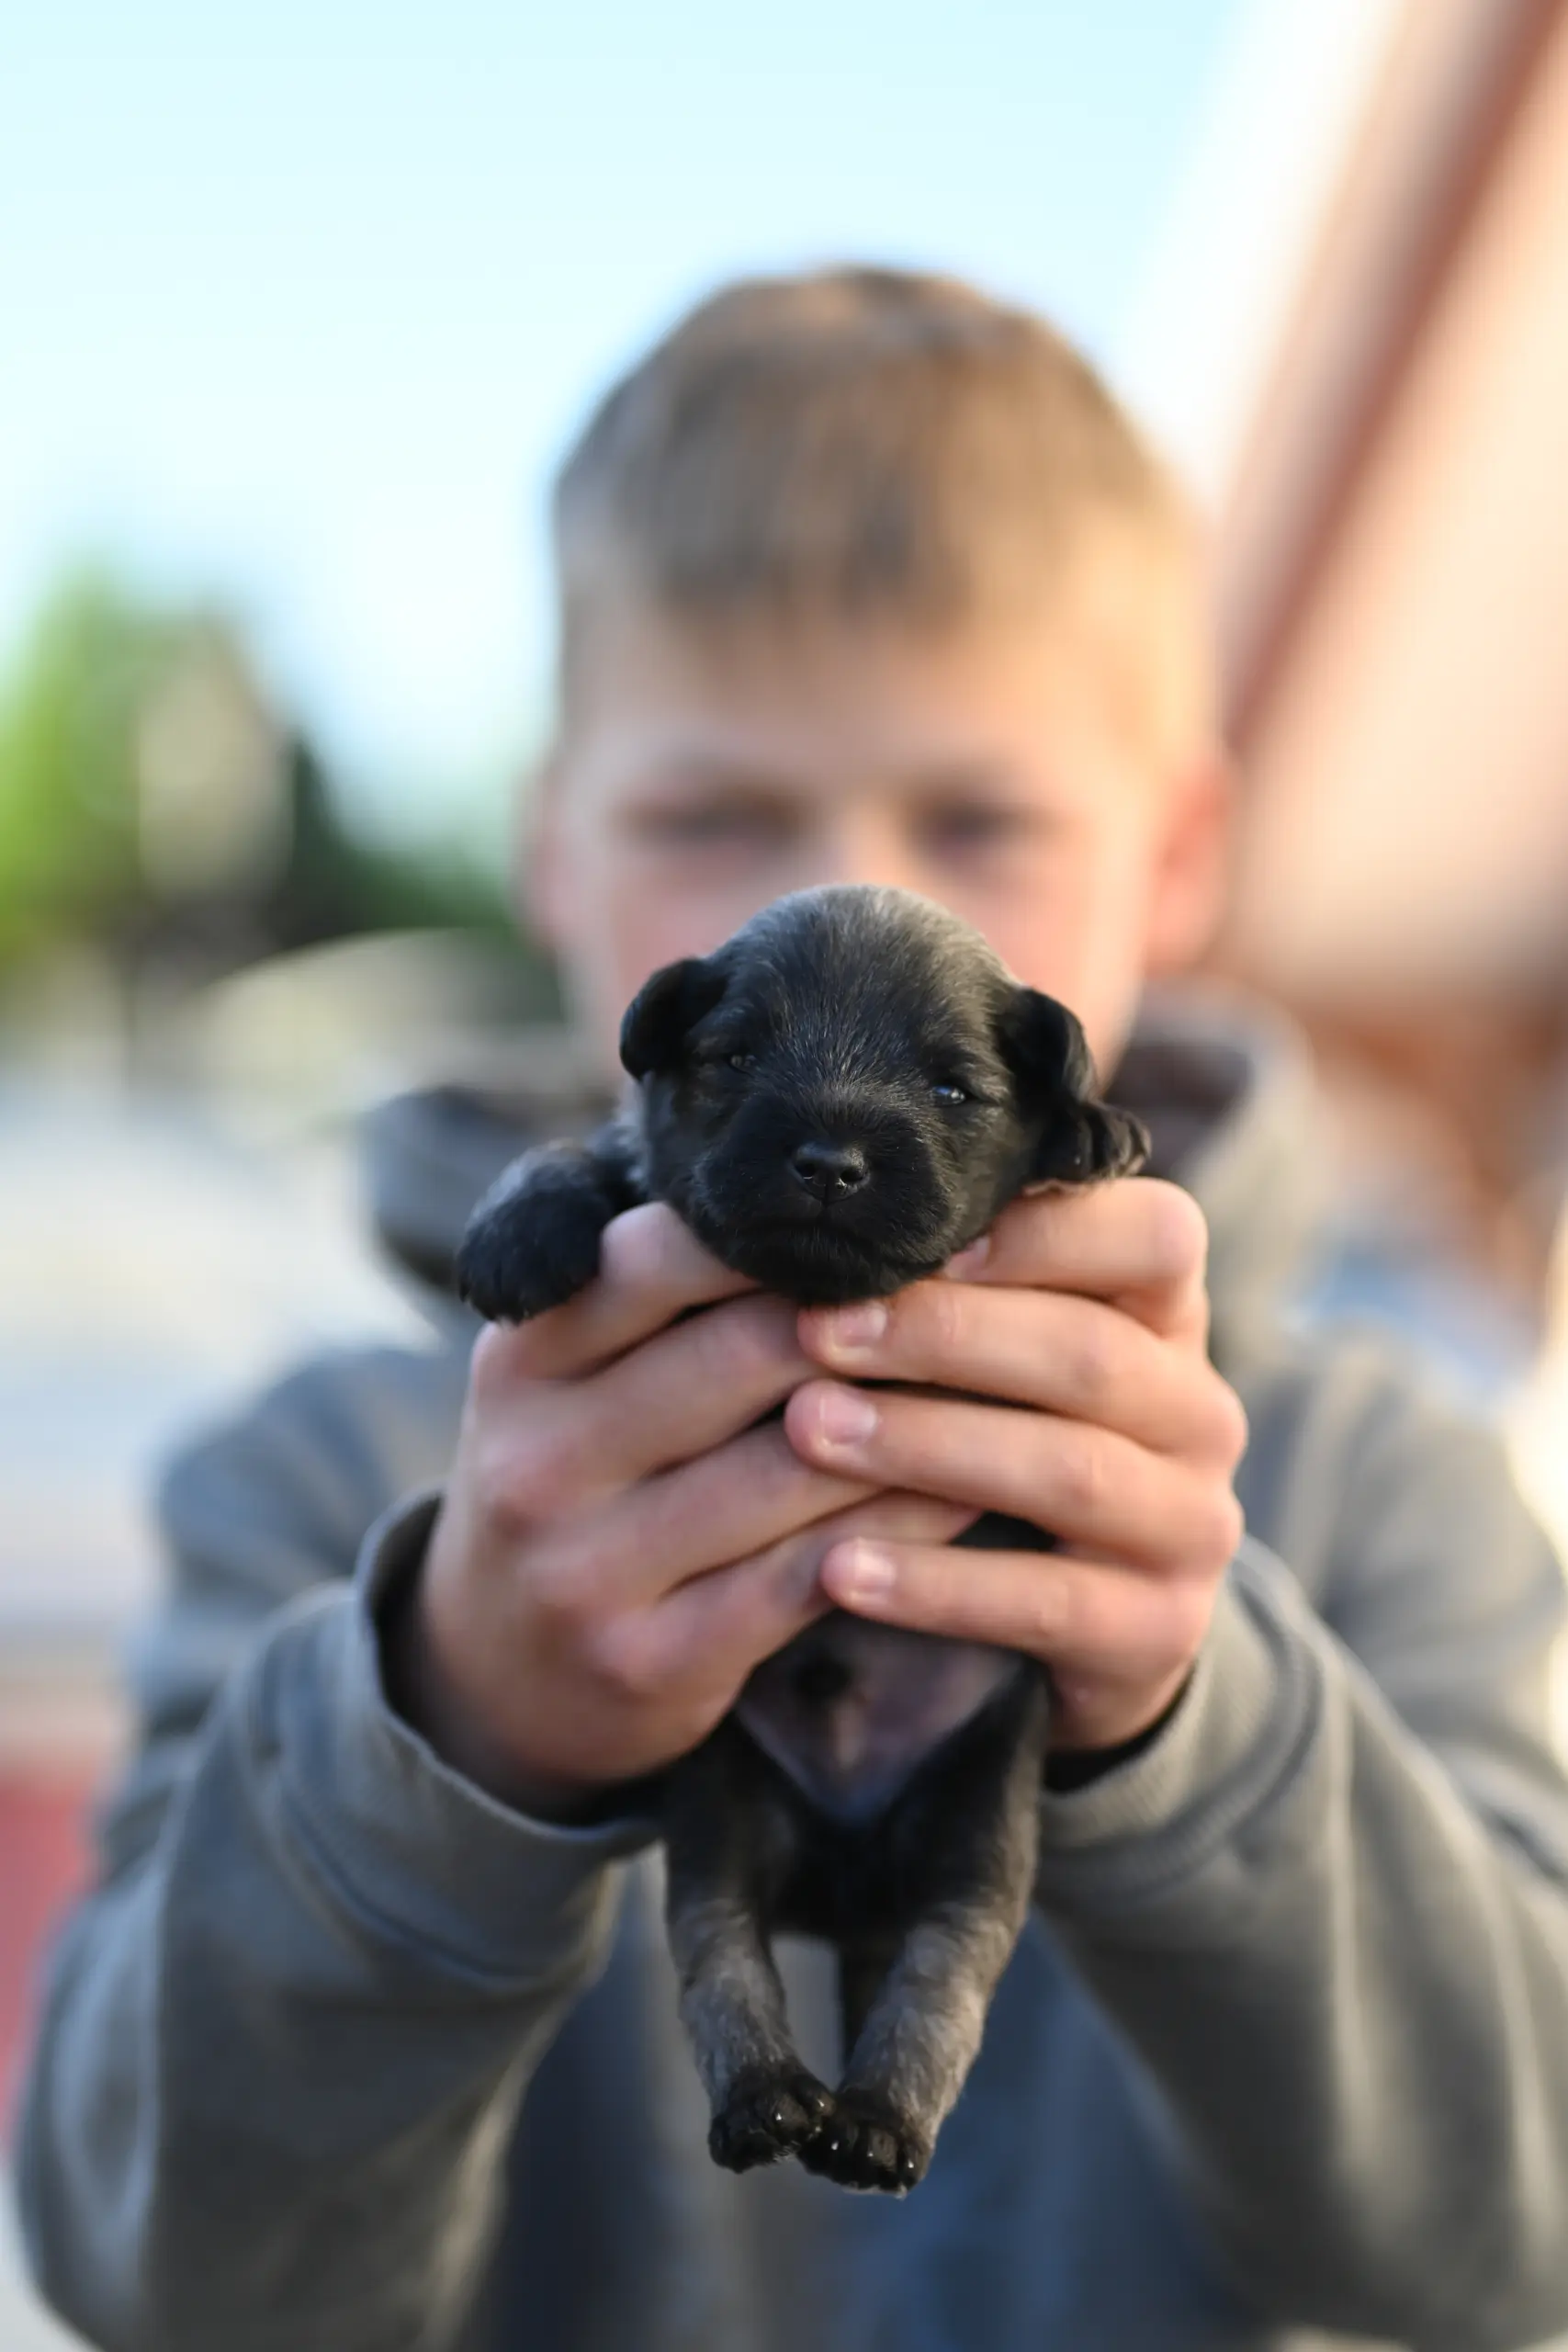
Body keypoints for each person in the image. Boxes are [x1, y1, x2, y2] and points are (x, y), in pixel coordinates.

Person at [16, 266, 1568, 2352]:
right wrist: (454, 1727)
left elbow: (1516, 2241)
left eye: (977, 818)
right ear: (550, 851)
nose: (840, 920)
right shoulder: (326, 1490)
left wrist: (1207, 1736)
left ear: (1178, 850)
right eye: (712, 818)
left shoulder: (1372, 1476)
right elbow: (165, 2275)